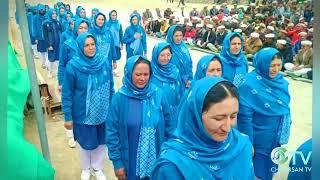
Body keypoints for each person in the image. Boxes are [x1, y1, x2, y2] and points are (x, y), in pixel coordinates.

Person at [152, 77, 254, 179]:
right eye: (218, 118)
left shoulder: (242, 146)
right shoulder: (173, 165)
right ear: (196, 117)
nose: (227, 128)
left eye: (233, 116)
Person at [106, 55, 174, 180]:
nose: (142, 78)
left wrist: (169, 155)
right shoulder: (120, 98)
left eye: (146, 74)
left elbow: (170, 127)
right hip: (130, 161)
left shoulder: (158, 95)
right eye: (138, 74)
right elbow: (112, 133)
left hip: (157, 158)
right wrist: (117, 162)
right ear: (129, 73)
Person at [61, 32, 114, 180]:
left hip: (103, 112)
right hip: (83, 114)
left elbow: (110, 86)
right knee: (85, 143)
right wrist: (68, 116)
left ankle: (97, 168)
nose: (91, 48)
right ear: (80, 47)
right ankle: (85, 168)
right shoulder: (73, 66)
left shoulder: (103, 62)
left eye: (93, 44)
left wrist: (112, 108)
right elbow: (67, 93)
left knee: (102, 142)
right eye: (86, 45)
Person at [237, 47, 291, 180]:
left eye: (279, 65)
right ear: (262, 63)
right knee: (255, 172)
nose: (276, 69)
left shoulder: (281, 82)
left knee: (269, 171)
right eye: (272, 65)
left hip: (275, 138)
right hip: (258, 139)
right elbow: (244, 119)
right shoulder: (248, 84)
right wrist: (249, 143)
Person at [151, 42, 183, 120]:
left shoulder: (175, 71)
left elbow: (181, 90)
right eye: (162, 55)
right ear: (156, 55)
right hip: (156, 113)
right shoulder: (150, 71)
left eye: (168, 55)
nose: (166, 58)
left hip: (173, 110)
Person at [166, 25, 193, 92]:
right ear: (171, 36)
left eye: (180, 35)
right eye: (176, 36)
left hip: (185, 81)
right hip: (172, 81)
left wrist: (189, 79)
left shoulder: (184, 47)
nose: (179, 38)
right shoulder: (167, 49)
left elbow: (189, 64)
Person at [42, 8, 62, 78]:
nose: (54, 15)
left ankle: (56, 73)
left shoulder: (58, 22)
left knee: (57, 59)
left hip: (58, 44)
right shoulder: (45, 23)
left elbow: (60, 32)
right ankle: (50, 72)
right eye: (53, 14)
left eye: (55, 14)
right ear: (50, 14)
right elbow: (45, 35)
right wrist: (48, 45)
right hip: (51, 45)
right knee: (51, 59)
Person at [107, 10, 123, 76]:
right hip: (109, 44)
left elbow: (121, 34)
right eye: (112, 15)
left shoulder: (119, 24)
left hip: (116, 44)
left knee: (116, 57)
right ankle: (109, 71)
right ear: (110, 16)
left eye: (115, 15)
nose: (113, 16)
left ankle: (115, 71)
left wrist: (122, 44)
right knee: (109, 57)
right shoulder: (107, 24)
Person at [32, 4, 48, 69]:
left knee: (48, 50)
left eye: (43, 9)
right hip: (40, 38)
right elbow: (34, 27)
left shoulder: (46, 17)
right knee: (42, 51)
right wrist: (35, 37)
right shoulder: (35, 18)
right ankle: (43, 62)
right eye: (40, 10)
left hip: (47, 37)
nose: (42, 11)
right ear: (38, 10)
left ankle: (47, 63)